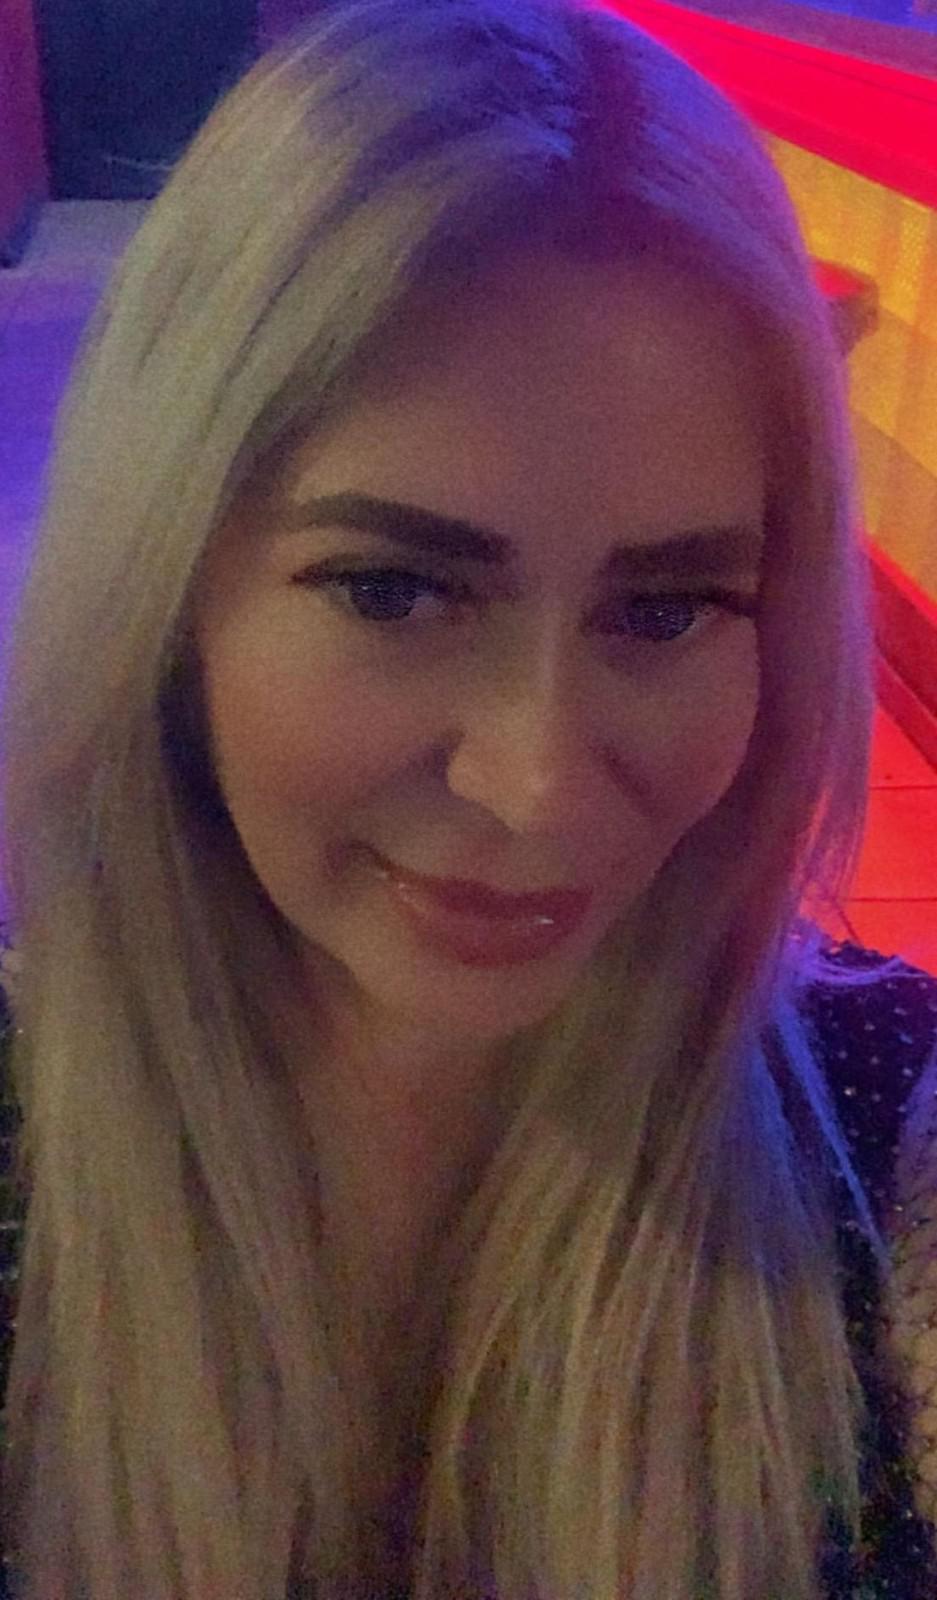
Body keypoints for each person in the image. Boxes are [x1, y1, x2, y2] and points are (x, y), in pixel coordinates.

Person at [0, 0, 935, 1595]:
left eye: (664, 610)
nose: (539, 788)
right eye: (391, 590)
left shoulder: (885, 1135)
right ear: (171, 585)